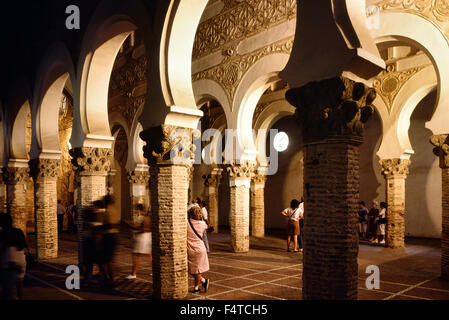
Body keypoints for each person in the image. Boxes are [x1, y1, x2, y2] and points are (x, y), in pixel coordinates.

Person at [0, 213, 27, 300]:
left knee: (8, 289)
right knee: (19, 284)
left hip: (9, 262)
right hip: (20, 260)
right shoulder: (18, 231)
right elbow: (23, 245)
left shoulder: (2, 234)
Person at [96, 195, 120, 287]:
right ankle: (107, 277)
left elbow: (111, 225)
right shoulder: (110, 210)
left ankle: (110, 279)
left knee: (107, 260)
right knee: (105, 259)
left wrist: (99, 227)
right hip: (110, 236)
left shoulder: (110, 211)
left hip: (110, 236)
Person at [125, 204, 152, 279]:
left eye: (136, 209)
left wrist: (132, 226)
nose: (135, 211)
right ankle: (154, 270)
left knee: (136, 255)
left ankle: (133, 274)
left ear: (140, 209)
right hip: (140, 237)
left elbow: (146, 228)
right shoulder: (139, 217)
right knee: (148, 255)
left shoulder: (146, 218)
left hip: (143, 238)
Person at [187, 206, 210, 293]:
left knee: (192, 270)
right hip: (201, 248)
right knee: (197, 270)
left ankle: (199, 285)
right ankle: (201, 283)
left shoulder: (186, 223)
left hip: (191, 249)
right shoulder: (203, 224)